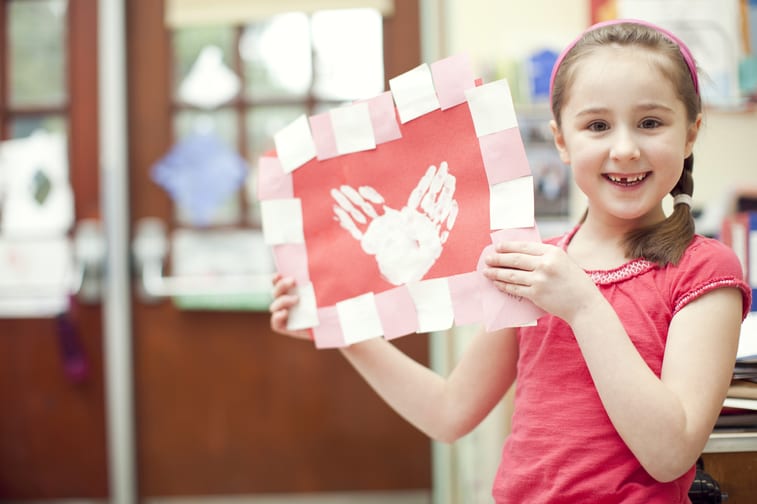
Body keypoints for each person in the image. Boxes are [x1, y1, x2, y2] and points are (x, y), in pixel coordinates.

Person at [269, 19, 752, 503]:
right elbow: (449, 412)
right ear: (561, 140)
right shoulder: (529, 265)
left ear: (690, 135)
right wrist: (341, 328)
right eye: (597, 126)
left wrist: (583, 307)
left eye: (650, 123)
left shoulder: (706, 270)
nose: (624, 149)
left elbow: (669, 454)